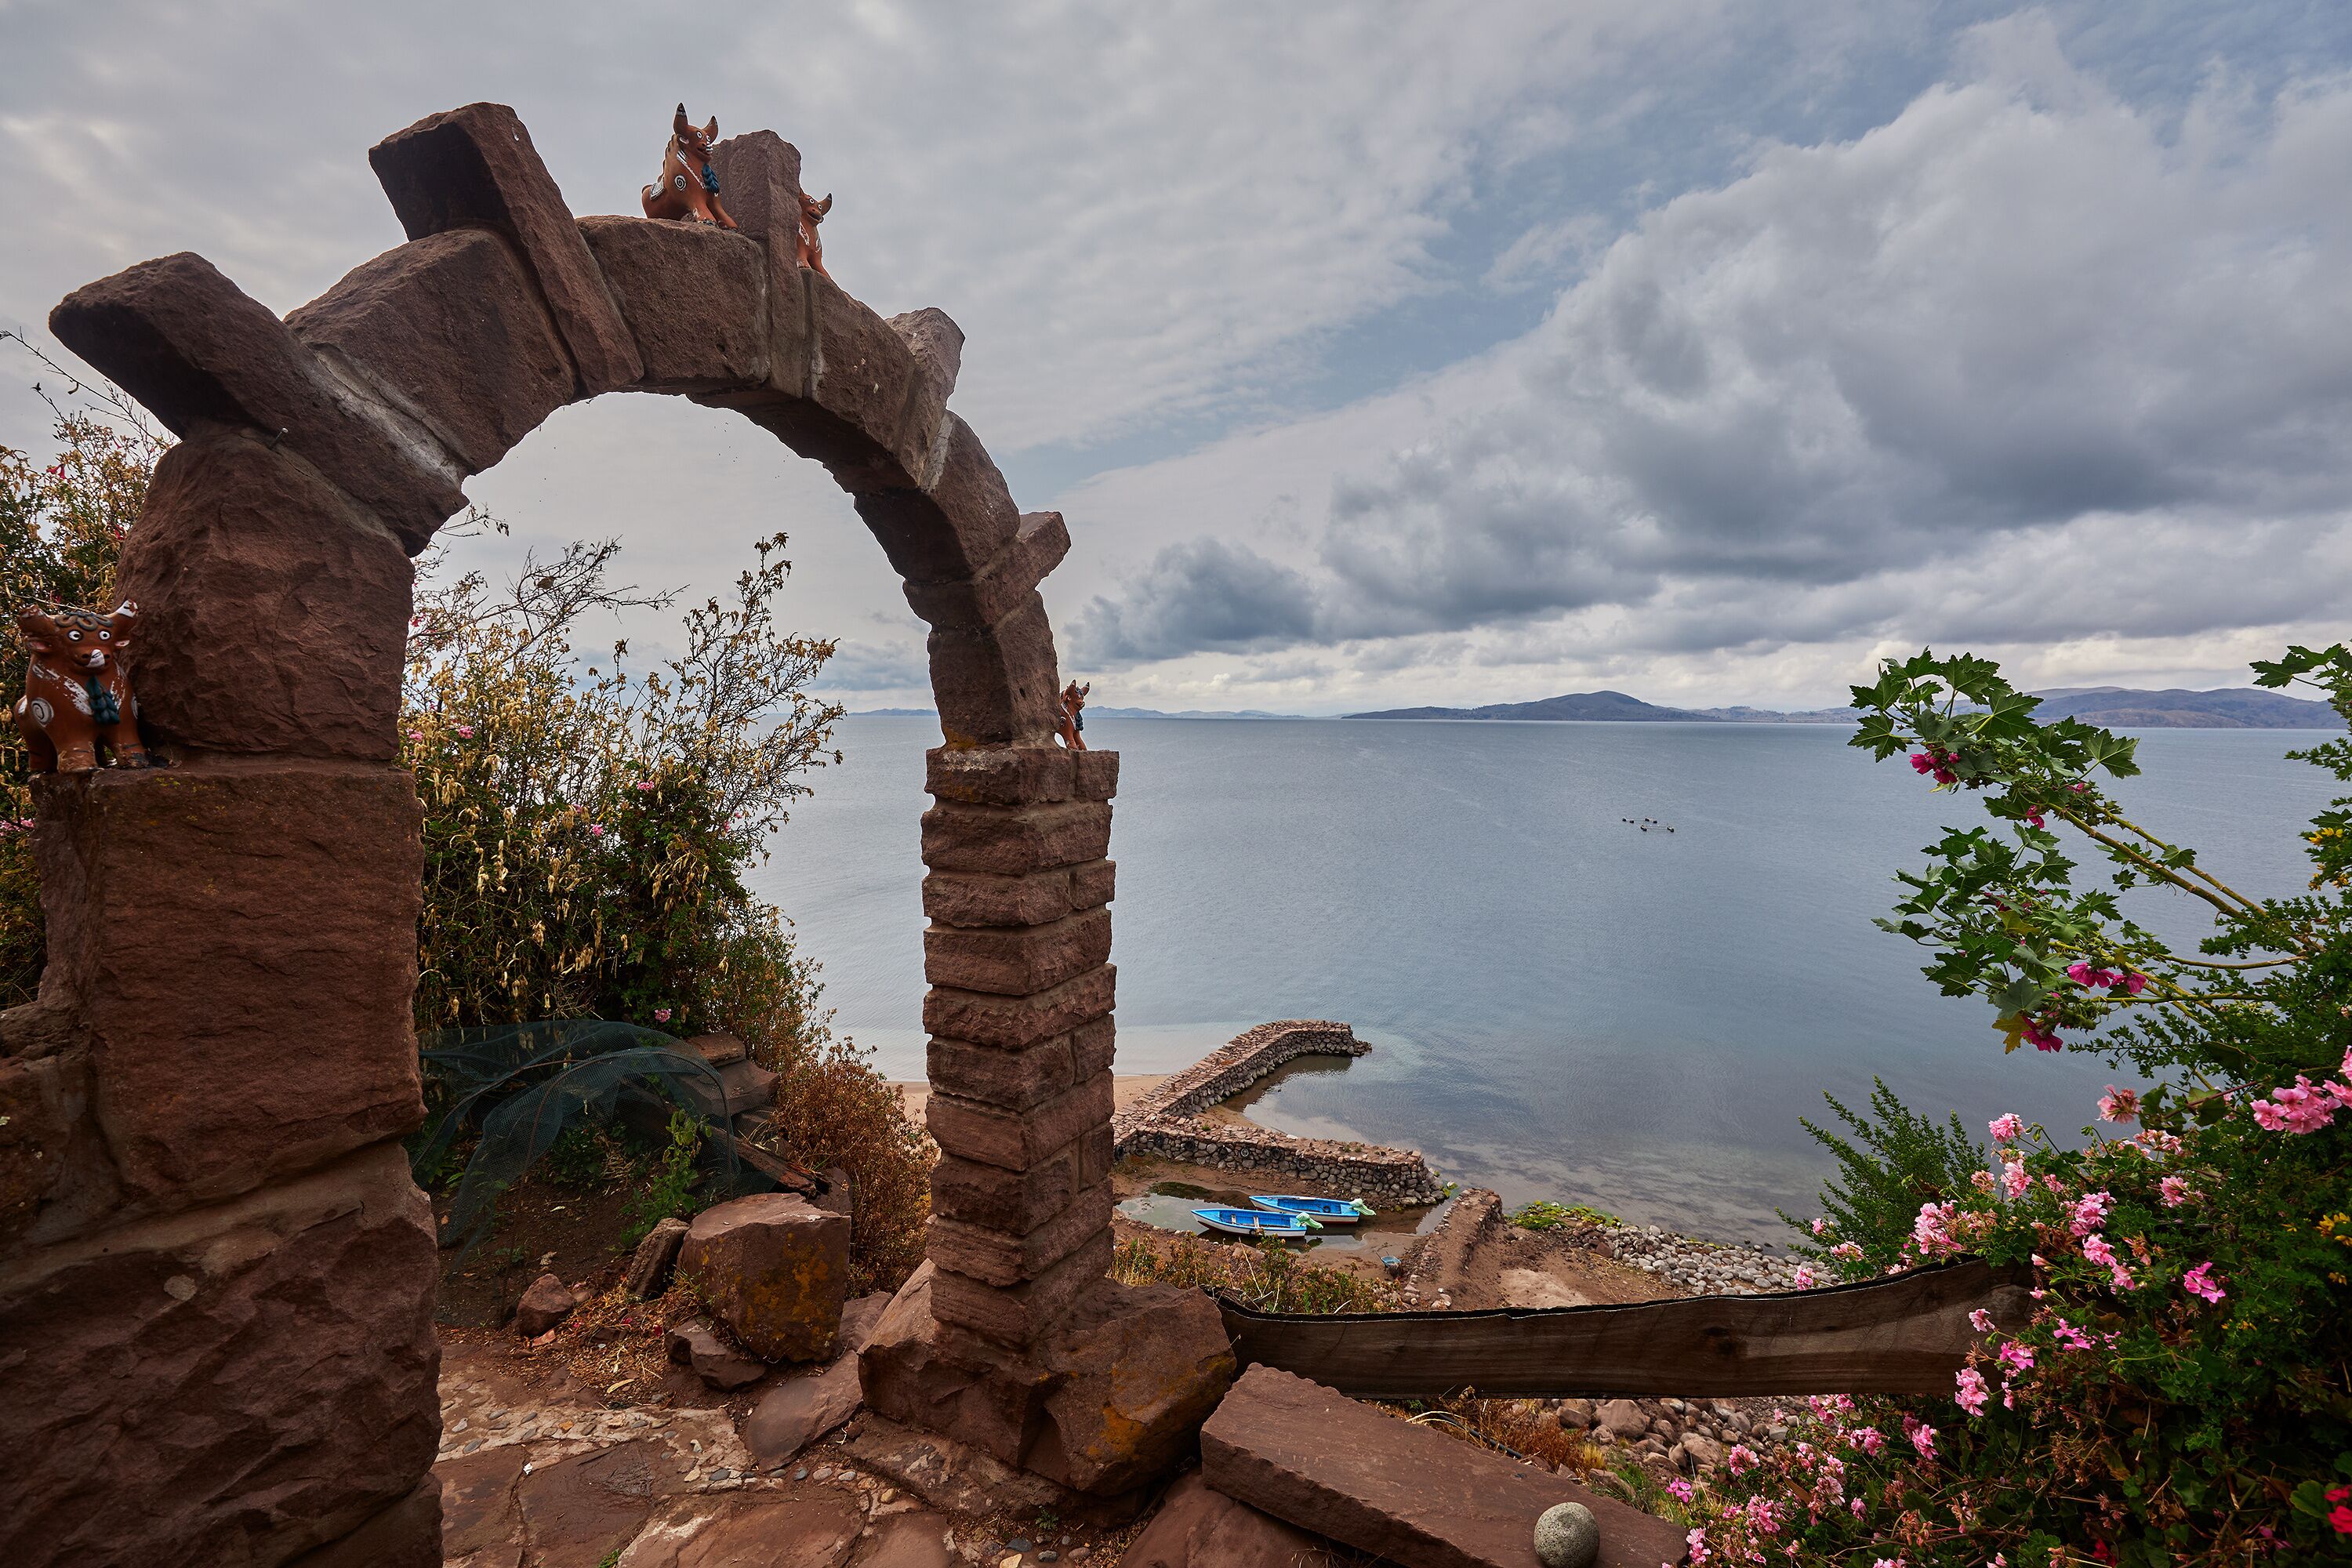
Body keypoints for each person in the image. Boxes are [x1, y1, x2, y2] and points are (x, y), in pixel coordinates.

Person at [1058, 679, 1090, 751]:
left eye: (1081, 699)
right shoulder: (1065, 713)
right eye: (1077, 698)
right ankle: (1073, 747)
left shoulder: (1075, 716)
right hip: (1065, 722)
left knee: (1076, 735)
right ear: (1069, 698)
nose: (1081, 701)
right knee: (1069, 735)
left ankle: (1080, 748)